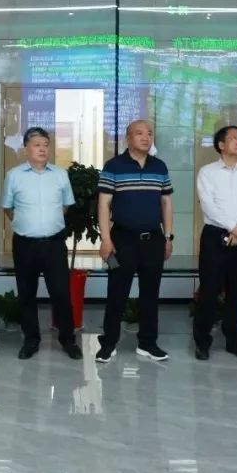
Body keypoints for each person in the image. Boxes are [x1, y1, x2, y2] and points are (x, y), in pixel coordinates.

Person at [95, 119, 174, 363]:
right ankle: (108, 343)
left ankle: (148, 343)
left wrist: (168, 237)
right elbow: (104, 204)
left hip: (153, 240)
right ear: (127, 138)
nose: (145, 137)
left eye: (149, 133)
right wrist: (106, 239)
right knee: (116, 292)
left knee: (150, 293)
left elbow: (166, 203)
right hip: (122, 240)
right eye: (139, 133)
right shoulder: (113, 166)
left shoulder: (159, 166)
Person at [1, 127, 83, 361]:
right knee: (27, 294)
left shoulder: (60, 174)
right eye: (37, 145)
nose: (42, 149)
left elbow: (66, 205)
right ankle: (31, 340)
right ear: (26, 148)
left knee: (61, 294)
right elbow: (8, 208)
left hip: (54, 244)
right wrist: (27, 224)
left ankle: (68, 340)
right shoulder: (14, 175)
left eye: (46, 145)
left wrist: (47, 223)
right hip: (25, 244)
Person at [193, 125, 237, 361]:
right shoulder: (207, 172)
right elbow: (208, 205)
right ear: (221, 145)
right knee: (209, 290)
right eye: (233, 138)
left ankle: (234, 341)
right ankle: (202, 342)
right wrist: (233, 226)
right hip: (215, 236)